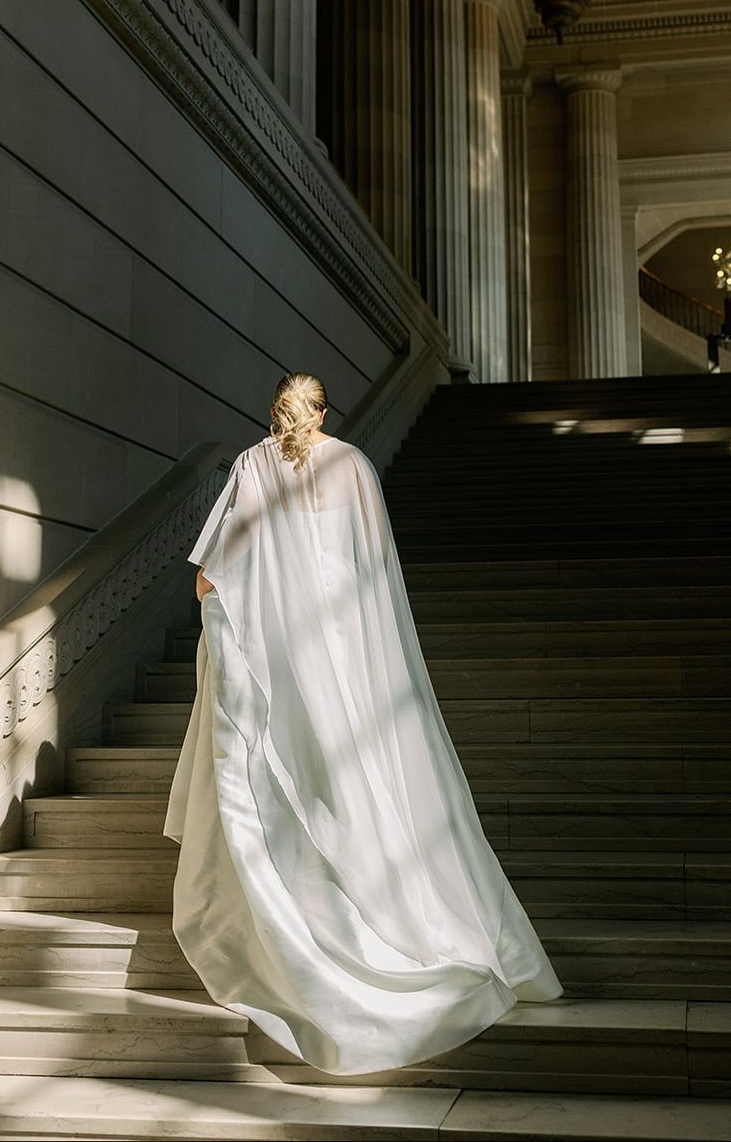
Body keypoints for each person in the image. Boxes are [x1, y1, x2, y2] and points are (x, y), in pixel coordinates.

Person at [164, 372, 562, 1076]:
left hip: (274, 652)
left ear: (276, 409)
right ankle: (389, 904)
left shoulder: (255, 463)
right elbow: (371, 573)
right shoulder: (352, 465)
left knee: (276, 768)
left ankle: (287, 919)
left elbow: (210, 577)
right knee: (353, 772)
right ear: (324, 411)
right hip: (341, 645)